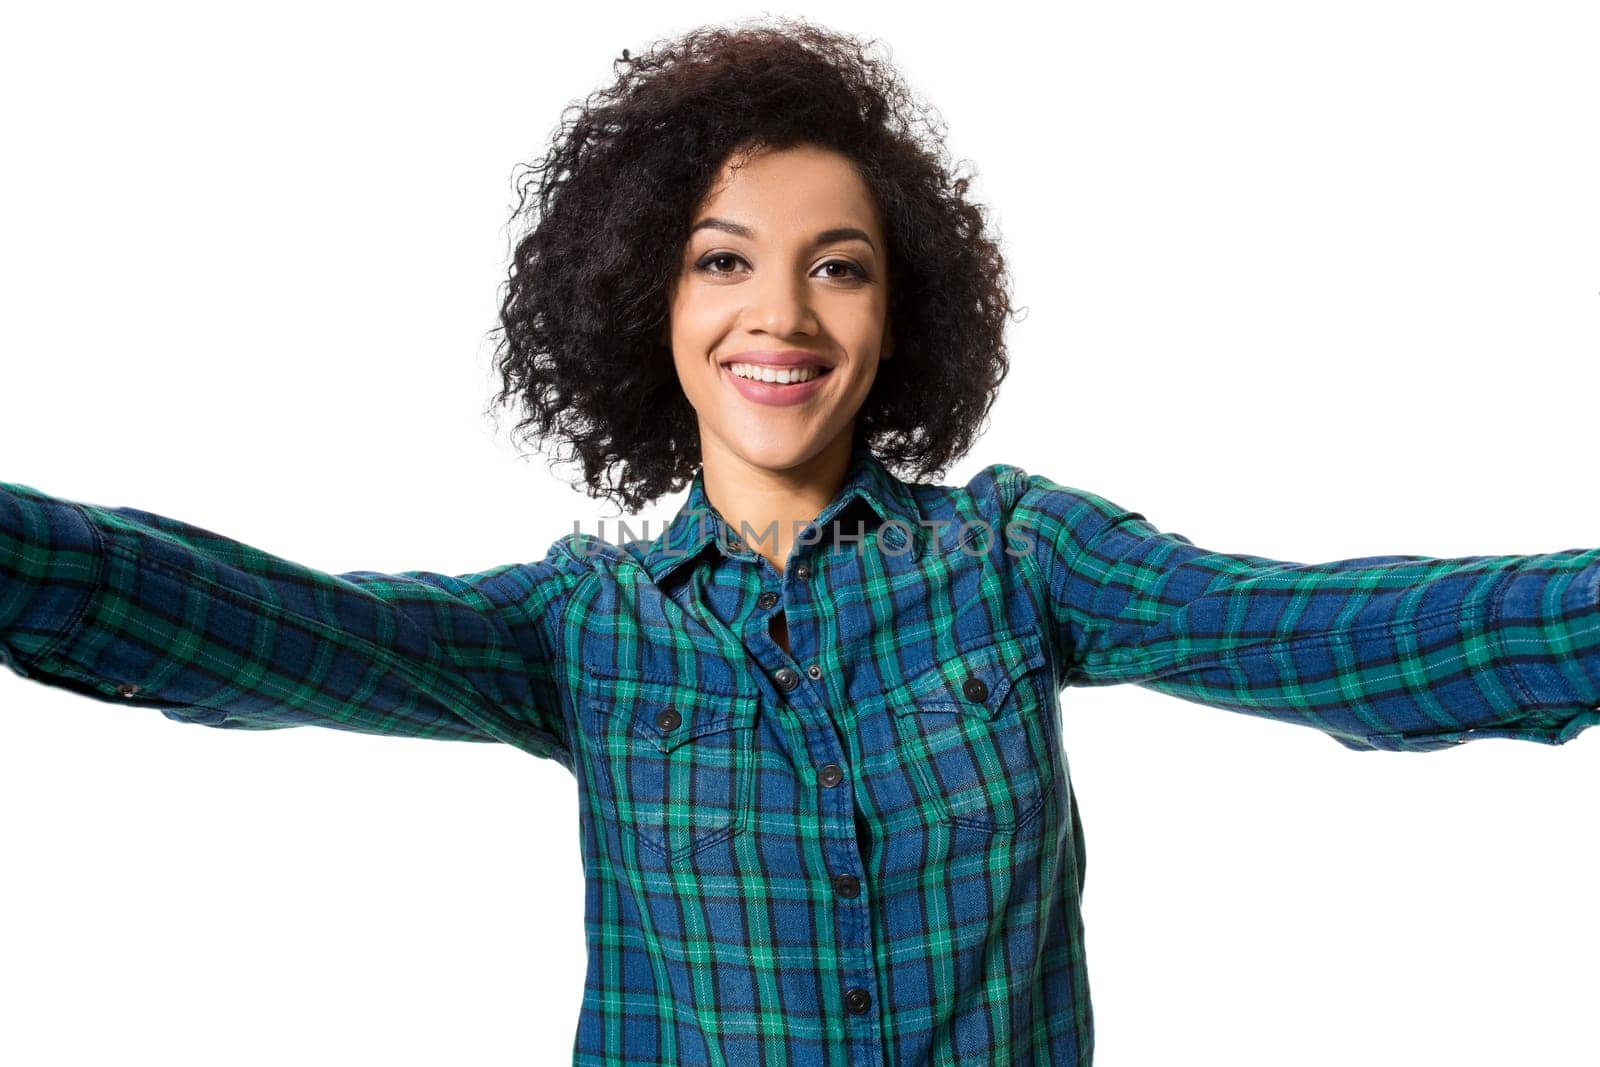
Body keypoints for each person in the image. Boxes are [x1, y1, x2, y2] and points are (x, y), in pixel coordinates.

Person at [2, 16, 1597, 1067]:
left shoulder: (1015, 564)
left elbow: (1317, 635)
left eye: (838, 266)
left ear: (902, 314)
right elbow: (253, 626)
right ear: (647, 302)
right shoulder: (584, 630)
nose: (780, 313)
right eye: (720, 262)